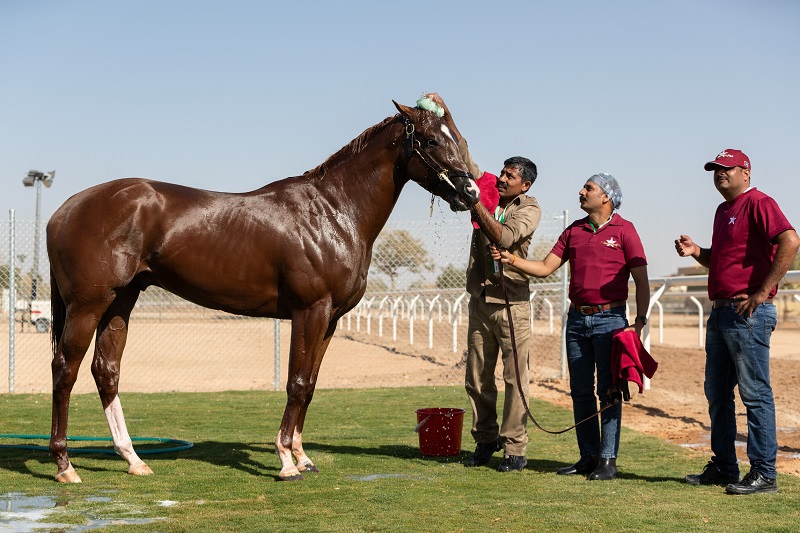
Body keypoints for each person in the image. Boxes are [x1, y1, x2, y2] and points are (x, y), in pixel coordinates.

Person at [493, 173, 650, 480]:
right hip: (576, 320)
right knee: (580, 391)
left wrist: (639, 322)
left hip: (611, 321)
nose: (581, 192)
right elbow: (544, 267)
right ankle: (588, 456)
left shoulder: (625, 230)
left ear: (605, 197)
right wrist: (512, 260)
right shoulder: (574, 230)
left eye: (588, 188)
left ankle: (608, 460)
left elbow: (642, 280)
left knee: (609, 391)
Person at [426, 93, 541, 472]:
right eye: (503, 172)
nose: (503, 177)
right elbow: (463, 154)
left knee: (514, 379)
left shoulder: (530, 208)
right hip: (481, 300)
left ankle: (515, 448)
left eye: (511, 176)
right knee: (477, 379)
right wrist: (447, 113)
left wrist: (478, 204)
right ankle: (485, 440)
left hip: (513, 304)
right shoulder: (487, 187)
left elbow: (506, 237)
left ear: (524, 185)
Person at [676, 149, 800, 495]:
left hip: (749, 313)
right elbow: (723, 260)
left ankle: (764, 473)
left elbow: (790, 240)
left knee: (755, 393)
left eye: (726, 169)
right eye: (715, 170)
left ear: (745, 171)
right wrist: (698, 252)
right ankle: (724, 466)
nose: (719, 174)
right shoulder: (722, 210)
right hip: (720, 312)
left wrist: (763, 292)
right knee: (716, 392)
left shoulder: (759, 202)